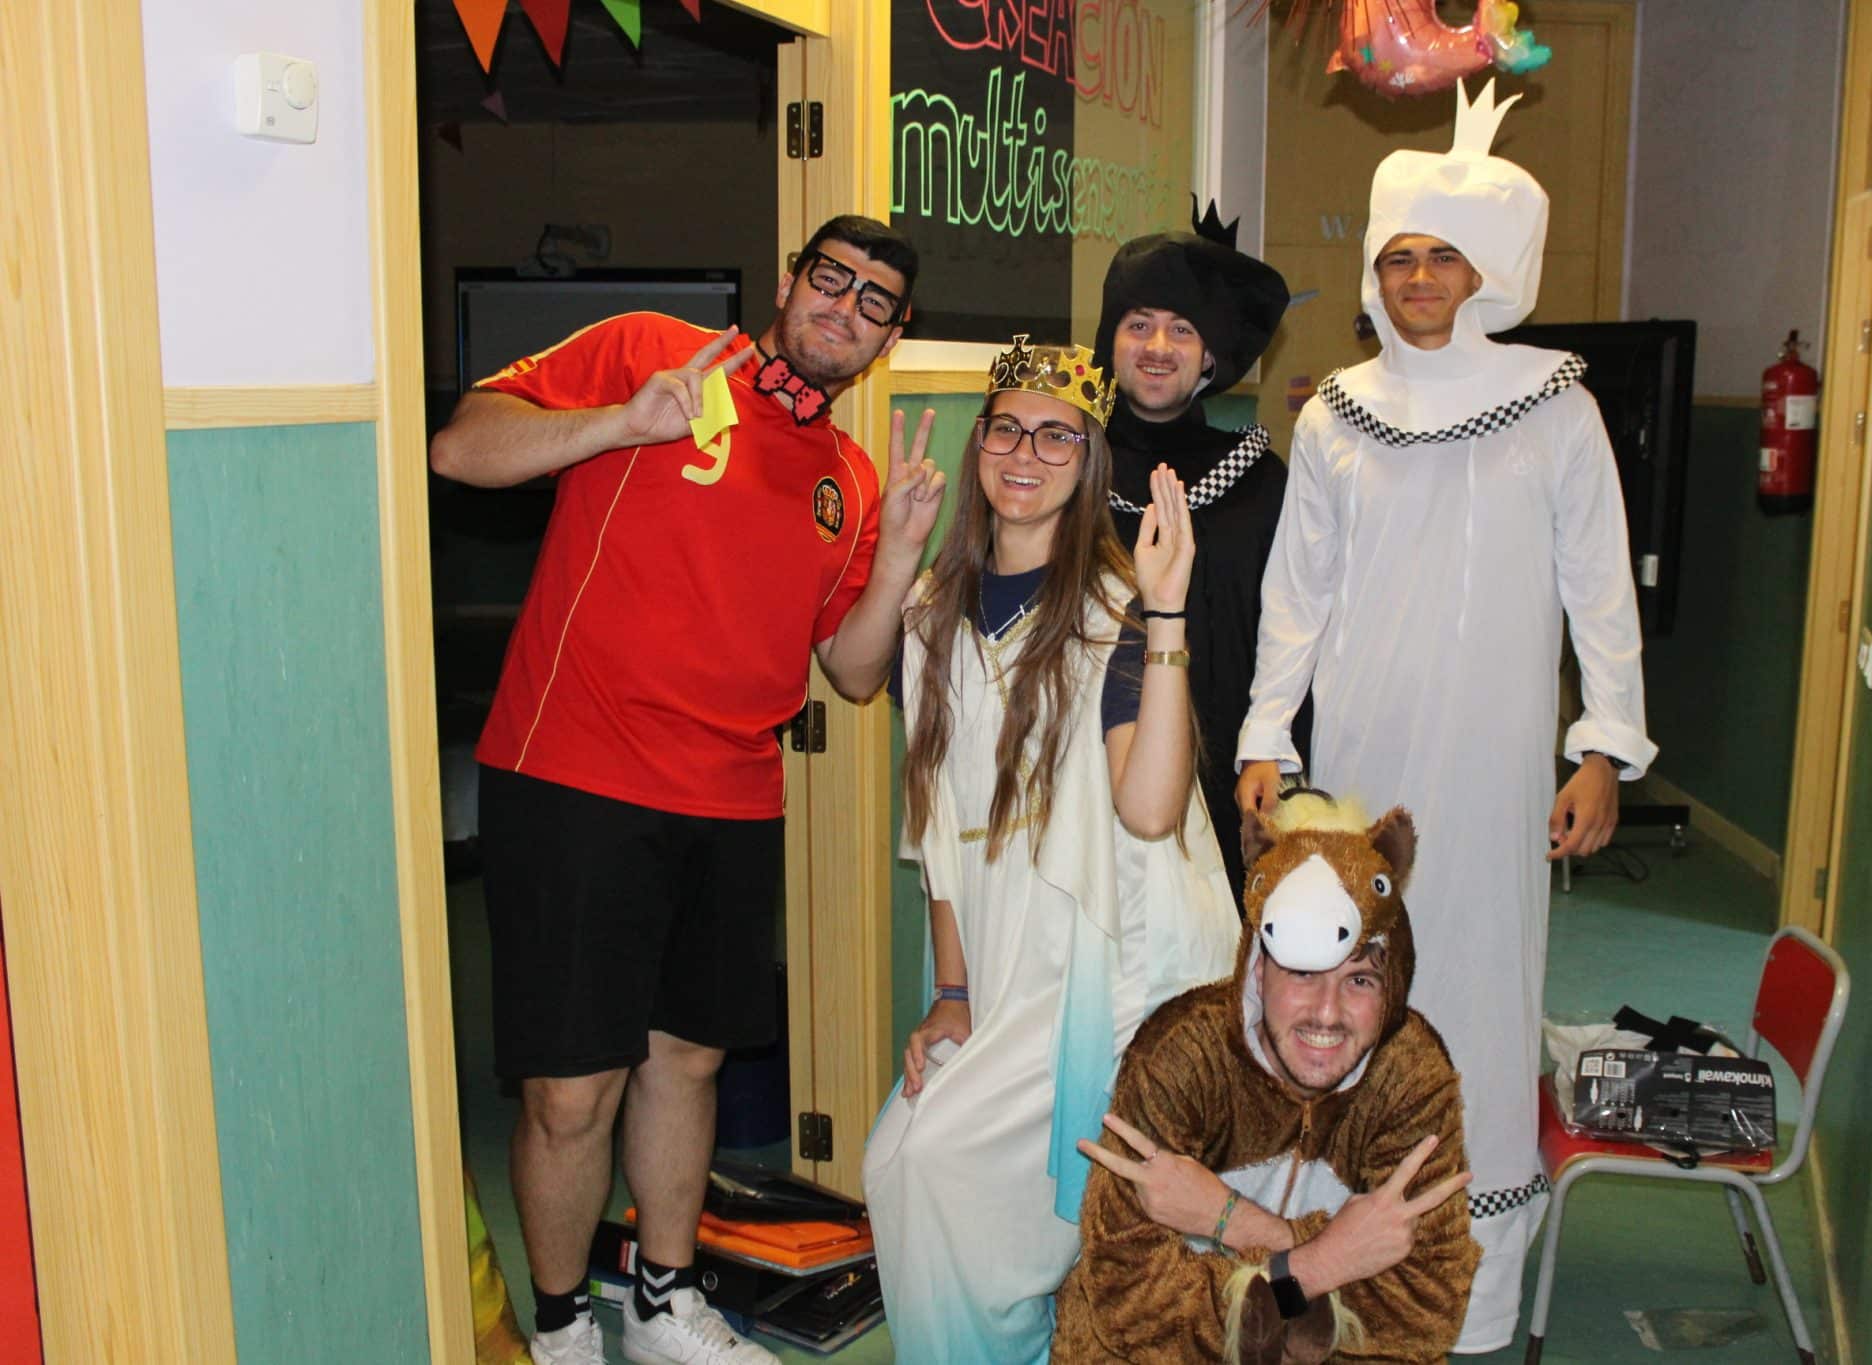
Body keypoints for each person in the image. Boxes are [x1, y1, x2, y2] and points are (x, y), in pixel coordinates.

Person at [429, 215, 945, 1365]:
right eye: (831, 280)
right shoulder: (653, 352)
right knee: (571, 1093)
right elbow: (459, 450)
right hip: (575, 780)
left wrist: (901, 556)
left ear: (891, 336)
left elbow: (855, 672)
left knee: (689, 1063)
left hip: (732, 800)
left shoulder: (849, 479)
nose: (845, 308)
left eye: (873, 302)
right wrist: (622, 424)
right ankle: (562, 1324)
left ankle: (663, 1299)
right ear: (790, 281)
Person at [1234, 83, 1656, 1353]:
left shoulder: (1554, 405)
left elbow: (1597, 586)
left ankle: (1467, 1298)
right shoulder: (1335, 413)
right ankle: (1343, 1257)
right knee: (1345, 979)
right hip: (1360, 764)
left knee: (1475, 985)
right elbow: (1296, 593)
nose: (1417, 279)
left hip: (1493, 766)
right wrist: (1265, 734)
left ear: (1484, 273)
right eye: (1397, 258)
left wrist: (1602, 746)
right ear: (1374, 274)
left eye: (1441, 257)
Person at [861, 336, 1241, 1362]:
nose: (1026, 453)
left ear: (1088, 463)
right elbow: (942, 831)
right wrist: (951, 992)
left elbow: (1151, 811)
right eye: (1007, 430)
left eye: (1056, 437)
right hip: (1002, 964)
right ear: (979, 443)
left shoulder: (1113, 615)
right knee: (895, 1163)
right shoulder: (932, 616)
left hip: (1107, 969)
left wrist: (1167, 609)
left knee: (942, 1174)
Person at [1052, 790, 1477, 1364]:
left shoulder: (1411, 1077)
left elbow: (1424, 1310)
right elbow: (1127, 1300)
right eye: (1302, 973)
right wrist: (1322, 1262)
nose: (1326, 1014)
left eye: (1358, 981)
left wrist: (1235, 1224)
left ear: (1392, 985)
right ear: (1257, 969)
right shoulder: (1183, 1056)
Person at [1095, 200, 1301, 908]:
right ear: (1111, 341)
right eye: (1139, 324)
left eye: (1182, 330)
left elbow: (1291, 634)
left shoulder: (1260, 481)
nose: (1158, 346)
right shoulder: (1066, 468)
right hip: (1097, 778)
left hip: (1230, 780)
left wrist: (1274, 752)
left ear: (1210, 356)